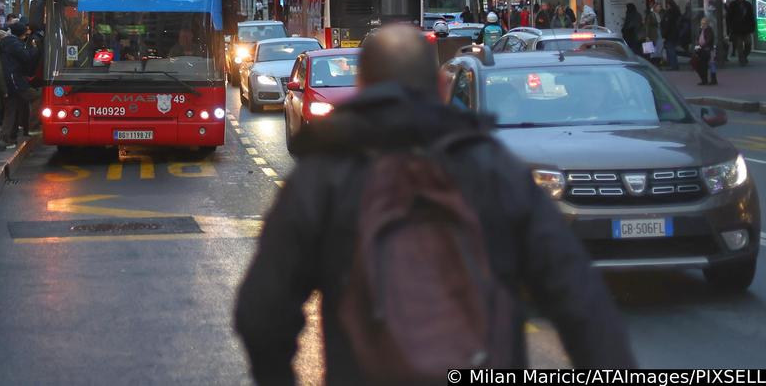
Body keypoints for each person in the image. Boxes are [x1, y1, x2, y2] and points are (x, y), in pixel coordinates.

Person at [234, 25, 635, 381]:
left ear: (362, 86)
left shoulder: (323, 176)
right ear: (442, 88)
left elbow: (260, 312)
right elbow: (581, 300)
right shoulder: (493, 169)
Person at [0, 21, 39, 147]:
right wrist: (33, 48)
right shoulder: (14, 44)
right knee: (36, 97)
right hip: (16, 80)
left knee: (12, 108)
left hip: (10, 80)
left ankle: (8, 137)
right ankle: (33, 126)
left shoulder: (6, 43)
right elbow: (26, 57)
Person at [727, 0, 754, 66]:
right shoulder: (733, 4)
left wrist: (752, 27)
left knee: (748, 44)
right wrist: (731, 28)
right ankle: (742, 59)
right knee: (739, 45)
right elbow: (729, 17)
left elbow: (751, 16)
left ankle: (744, 56)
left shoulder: (748, 5)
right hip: (737, 29)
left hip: (746, 29)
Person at [694, 15, 718, 85]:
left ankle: (713, 80)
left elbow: (708, 40)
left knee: (711, 64)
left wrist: (701, 46)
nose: (703, 25)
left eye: (704, 23)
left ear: (707, 24)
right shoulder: (701, 30)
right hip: (702, 50)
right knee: (703, 65)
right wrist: (697, 47)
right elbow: (698, 40)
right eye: (702, 23)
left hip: (708, 50)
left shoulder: (708, 30)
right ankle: (704, 80)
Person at [661, 0, 681, 70]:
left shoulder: (669, 13)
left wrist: (664, 35)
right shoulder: (677, 12)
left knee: (670, 50)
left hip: (670, 35)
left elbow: (667, 25)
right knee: (672, 50)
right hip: (675, 34)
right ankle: (674, 65)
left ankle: (673, 65)